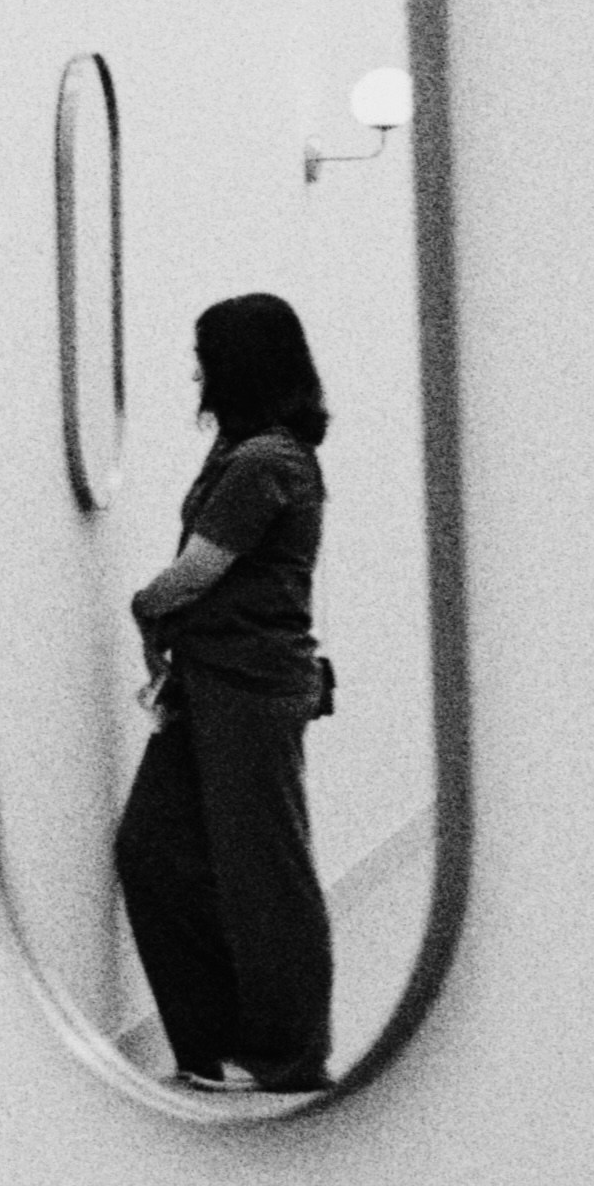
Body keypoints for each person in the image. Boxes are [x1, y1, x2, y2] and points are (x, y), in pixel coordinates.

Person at [115, 292, 338, 1095]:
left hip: (249, 690)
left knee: (264, 877)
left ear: (237, 366)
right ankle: (213, 1043)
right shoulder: (249, 454)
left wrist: (144, 606)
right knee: (151, 852)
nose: (195, 370)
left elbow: (196, 572)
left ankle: (288, 1059)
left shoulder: (263, 463)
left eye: (204, 354)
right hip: (211, 685)